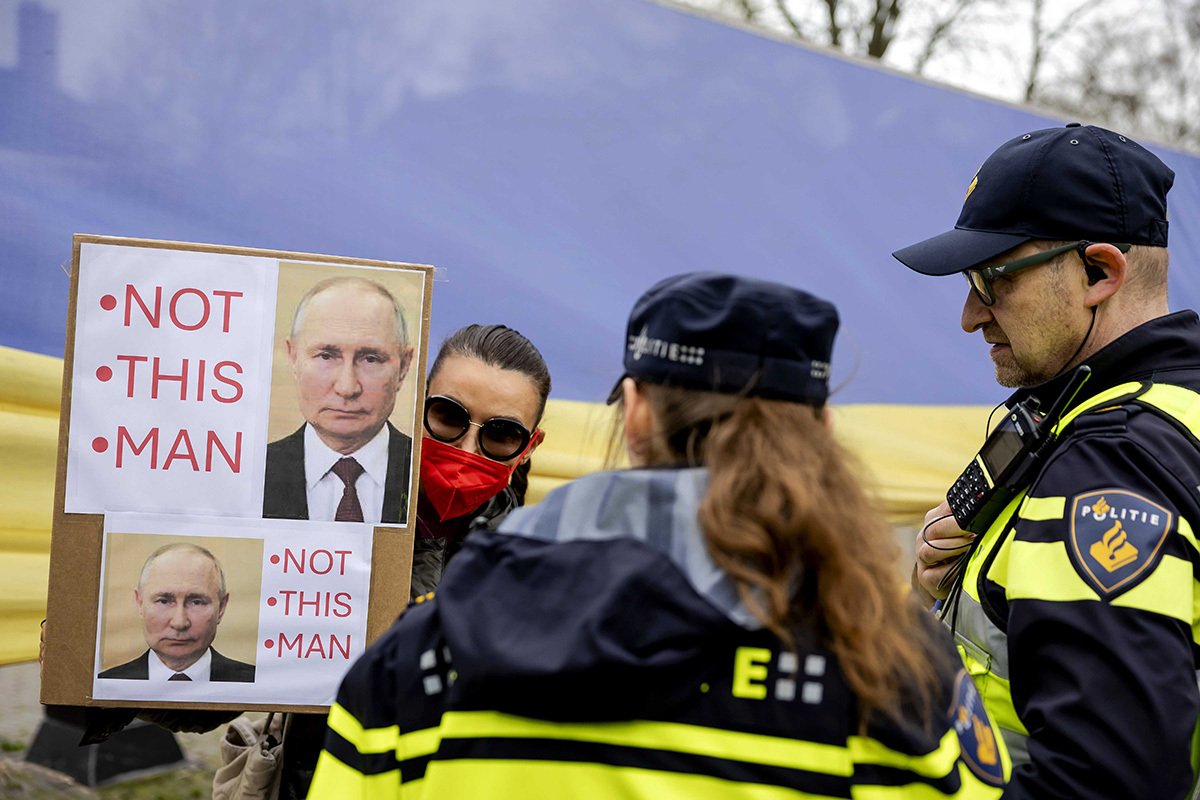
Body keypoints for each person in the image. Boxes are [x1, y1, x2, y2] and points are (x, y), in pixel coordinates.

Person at [307, 272, 1009, 799]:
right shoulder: (889, 671)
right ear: (822, 431)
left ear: (633, 413)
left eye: (498, 434)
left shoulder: (425, 647)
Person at [893, 124, 1200, 799]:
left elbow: (1110, 783)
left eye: (992, 279)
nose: (971, 315)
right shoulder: (1165, 414)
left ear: (1100, 273)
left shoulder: (1111, 462)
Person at [274, 322, 550, 800]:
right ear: (411, 402)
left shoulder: (537, 582)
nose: (466, 450)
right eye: (448, 416)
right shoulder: (322, 511)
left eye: (502, 435)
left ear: (529, 447)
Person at [263, 276, 416, 524]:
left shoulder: (434, 480)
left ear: (404, 366)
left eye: (370, 359)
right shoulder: (246, 476)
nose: (347, 387)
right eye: (326, 356)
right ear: (293, 357)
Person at [98, 543, 254, 683]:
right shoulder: (105, 685)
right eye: (164, 601)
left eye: (196, 602)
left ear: (221, 607)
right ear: (140, 603)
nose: (179, 623)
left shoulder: (254, 682)